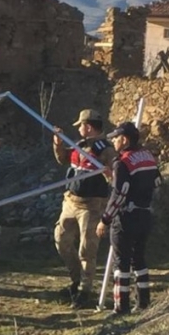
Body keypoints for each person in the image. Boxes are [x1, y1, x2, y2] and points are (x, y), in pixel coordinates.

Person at [53, 108, 117, 309]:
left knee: (87, 249)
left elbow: (115, 175)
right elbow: (63, 160)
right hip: (70, 201)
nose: (79, 128)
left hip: (91, 205)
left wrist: (109, 173)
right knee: (61, 240)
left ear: (88, 126)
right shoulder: (78, 144)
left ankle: (85, 289)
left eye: (80, 125)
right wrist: (58, 145)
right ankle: (75, 279)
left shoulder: (105, 148)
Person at [96, 122, 161, 315]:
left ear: (124, 140)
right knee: (139, 259)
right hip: (145, 214)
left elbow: (120, 193)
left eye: (115, 138)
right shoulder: (148, 157)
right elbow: (157, 182)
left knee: (121, 263)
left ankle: (121, 307)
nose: (113, 142)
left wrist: (105, 219)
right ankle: (143, 302)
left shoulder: (122, 162)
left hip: (126, 218)